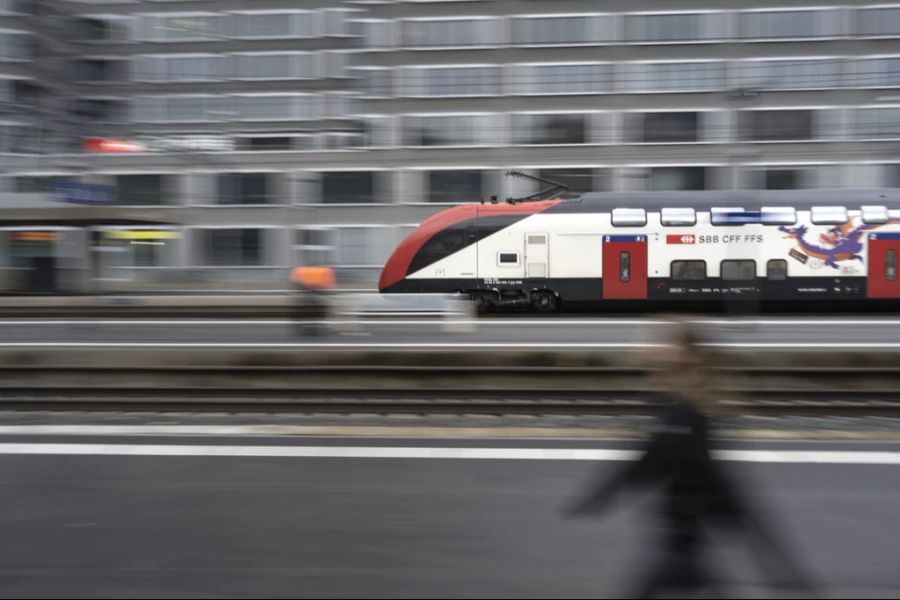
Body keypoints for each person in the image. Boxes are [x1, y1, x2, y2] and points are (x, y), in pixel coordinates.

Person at [564, 321, 814, 598]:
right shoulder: (678, 405)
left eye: (663, 343)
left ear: (683, 353)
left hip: (683, 531)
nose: (650, 346)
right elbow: (655, 459)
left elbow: (671, 464)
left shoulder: (685, 412)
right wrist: (602, 495)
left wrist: (602, 496)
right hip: (684, 533)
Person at [290, 266, 335, 336]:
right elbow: (328, 286)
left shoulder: (300, 270)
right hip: (317, 293)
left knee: (303, 307)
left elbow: (294, 282)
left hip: (305, 292)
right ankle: (319, 325)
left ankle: (299, 323)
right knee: (319, 308)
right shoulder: (325, 270)